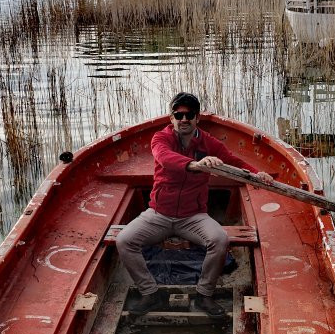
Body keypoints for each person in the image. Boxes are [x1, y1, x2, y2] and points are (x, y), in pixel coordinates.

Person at [116, 92, 273, 316]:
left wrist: (258, 174)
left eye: (189, 114)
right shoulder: (161, 138)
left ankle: (204, 295)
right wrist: (196, 164)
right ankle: (150, 293)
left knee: (219, 240)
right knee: (124, 241)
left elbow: (232, 161)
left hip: (193, 216)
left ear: (197, 118)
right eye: (178, 115)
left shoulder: (209, 143)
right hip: (159, 214)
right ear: (171, 118)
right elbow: (164, 158)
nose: (184, 119)